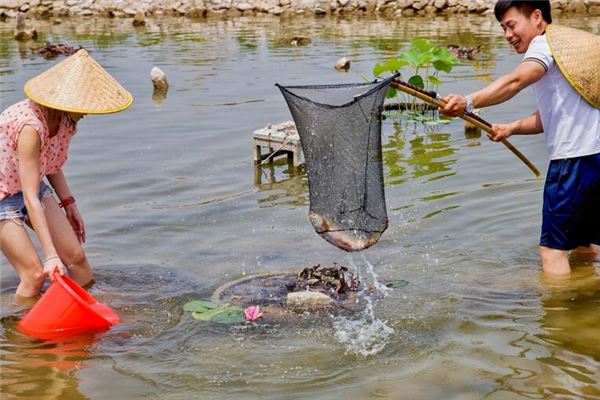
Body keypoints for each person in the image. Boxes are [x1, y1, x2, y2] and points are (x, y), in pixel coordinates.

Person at [439, 0, 600, 276]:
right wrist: (512, 127)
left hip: (572, 163)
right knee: (585, 245)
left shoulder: (542, 46)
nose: (507, 36)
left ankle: (561, 314)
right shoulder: (565, 49)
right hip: (595, 160)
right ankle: (589, 301)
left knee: (552, 252)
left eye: (512, 25)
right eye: (503, 28)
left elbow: (516, 81)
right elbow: (552, 116)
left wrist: (468, 100)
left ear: (537, 17)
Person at [0, 49, 132, 298]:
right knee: (35, 274)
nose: (87, 112)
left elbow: (51, 163)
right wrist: (50, 255)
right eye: (84, 105)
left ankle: (86, 320)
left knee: (76, 259)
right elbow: (29, 197)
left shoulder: (66, 122)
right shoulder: (31, 127)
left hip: (32, 185)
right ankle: (22, 335)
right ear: (66, 101)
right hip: (4, 194)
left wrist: (69, 203)